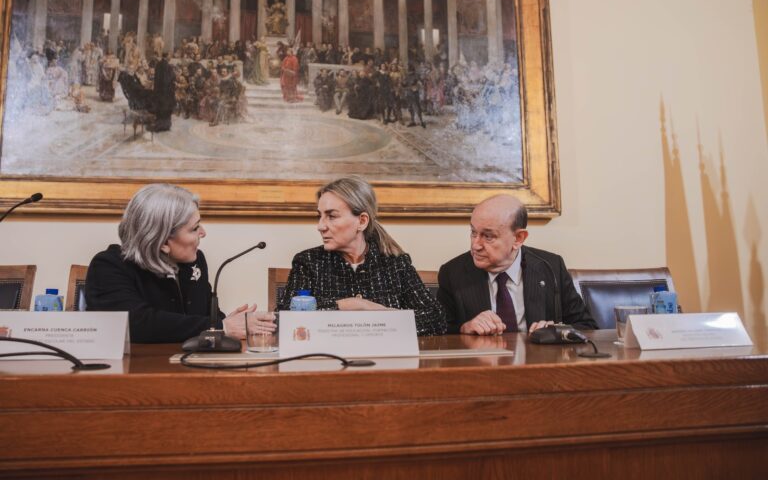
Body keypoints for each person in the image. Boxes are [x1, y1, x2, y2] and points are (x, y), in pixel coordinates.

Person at [85, 184, 274, 344]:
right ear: (163, 242)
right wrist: (220, 327)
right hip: (133, 377)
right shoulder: (108, 266)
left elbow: (202, 318)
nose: (203, 233)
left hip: (191, 370)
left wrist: (229, 322)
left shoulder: (194, 261)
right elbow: (136, 324)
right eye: (194, 228)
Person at [276, 176, 446, 336]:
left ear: (362, 221)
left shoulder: (395, 262)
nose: (320, 226)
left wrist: (377, 311)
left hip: (385, 363)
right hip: (327, 362)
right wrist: (349, 305)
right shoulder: (308, 262)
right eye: (319, 216)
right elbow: (285, 319)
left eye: (331, 216)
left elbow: (436, 319)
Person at [437, 194, 597, 335]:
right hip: (482, 365)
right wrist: (465, 327)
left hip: (538, 364)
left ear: (518, 238)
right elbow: (439, 331)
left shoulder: (551, 267)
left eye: (488, 236)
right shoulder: (453, 272)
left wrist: (557, 331)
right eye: (473, 232)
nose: (475, 245)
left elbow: (587, 327)